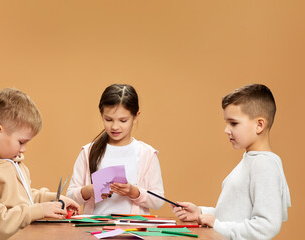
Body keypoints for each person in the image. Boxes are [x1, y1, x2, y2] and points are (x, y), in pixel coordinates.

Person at [0, 88, 80, 240]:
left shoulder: (13, 163)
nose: (24, 149)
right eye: (21, 142)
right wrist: (38, 211)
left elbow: (24, 197)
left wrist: (54, 200)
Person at [172, 84, 291, 239]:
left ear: (259, 125)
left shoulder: (263, 165)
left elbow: (266, 226)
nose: (226, 130)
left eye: (233, 123)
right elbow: (234, 213)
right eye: (226, 123)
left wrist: (217, 225)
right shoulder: (251, 160)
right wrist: (201, 212)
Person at [66, 84, 164, 215]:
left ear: (136, 116)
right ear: (101, 115)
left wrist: (133, 192)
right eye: (108, 119)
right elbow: (70, 197)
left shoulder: (147, 154)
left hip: (133, 230)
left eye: (123, 120)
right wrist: (90, 190)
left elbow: (158, 200)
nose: (115, 127)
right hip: (94, 231)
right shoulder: (88, 152)